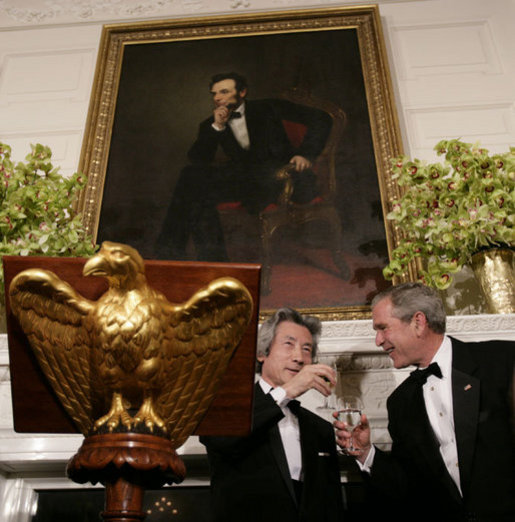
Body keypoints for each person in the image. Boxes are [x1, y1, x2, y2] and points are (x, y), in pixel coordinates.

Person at [335, 282, 515, 522]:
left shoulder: (503, 361)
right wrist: (365, 452)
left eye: (383, 328)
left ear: (418, 322)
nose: (378, 340)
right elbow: (408, 488)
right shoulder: (400, 403)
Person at [155, 72, 332, 261]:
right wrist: (217, 127)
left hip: (279, 177)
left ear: (242, 92)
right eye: (214, 94)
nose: (218, 98)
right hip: (244, 181)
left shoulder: (269, 107)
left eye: (224, 92)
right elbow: (198, 159)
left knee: (196, 189)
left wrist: (305, 153)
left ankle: (173, 252)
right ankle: (212, 260)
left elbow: (322, 118)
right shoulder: (211, 123)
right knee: (191, 176)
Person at [200, 307, 344, 521]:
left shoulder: (320, 428)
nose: (299, 357)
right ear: (261, 353)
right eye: (289, 344)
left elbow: (332, 504)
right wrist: (287, 391)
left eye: (307, 349)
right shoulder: (228, 406)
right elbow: (220, 441)